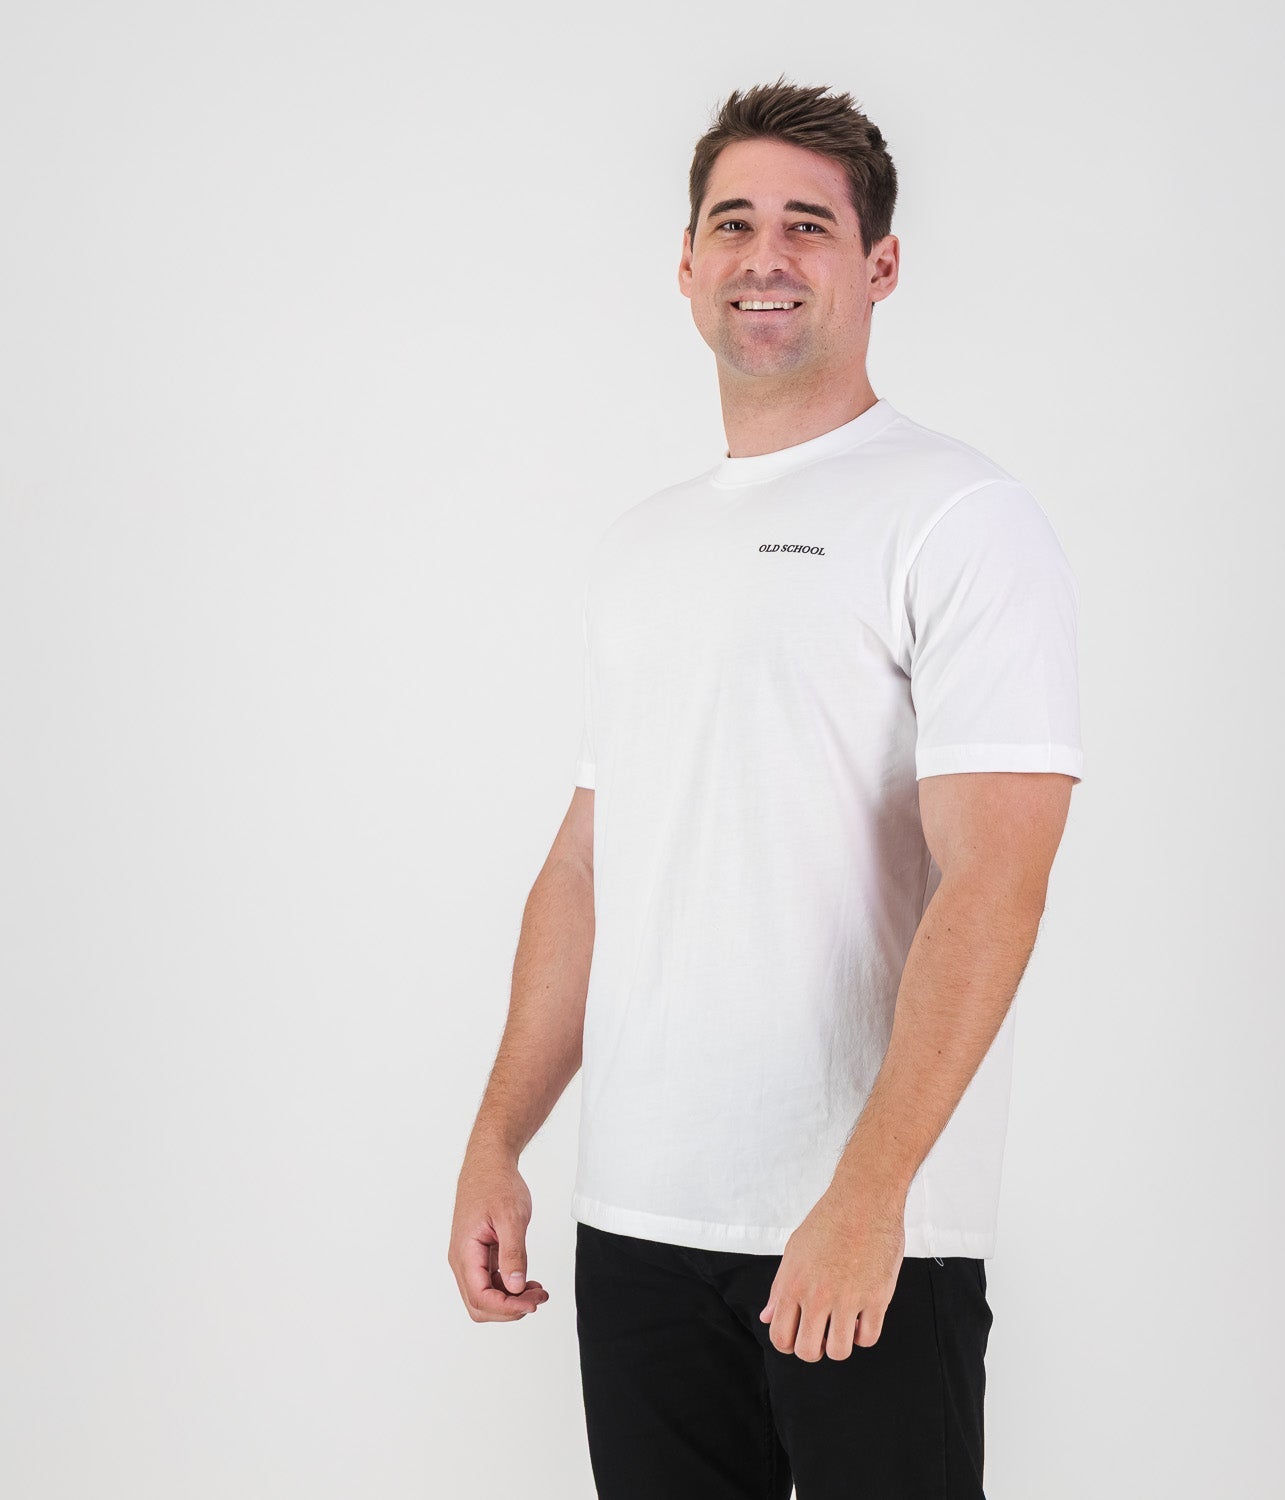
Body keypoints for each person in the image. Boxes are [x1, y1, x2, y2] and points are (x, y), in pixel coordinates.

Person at [449, 76, 1084, 1499]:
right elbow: (588, 865)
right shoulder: (642, 546)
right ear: (686, 265)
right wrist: (500, 1139)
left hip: (861, 1230)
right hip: (639, 1223)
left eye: (810, 224)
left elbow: (999, 877)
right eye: (733, 223)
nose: (766, 255)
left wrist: (871, 1193)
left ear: (881, 265)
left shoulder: (960, 516)